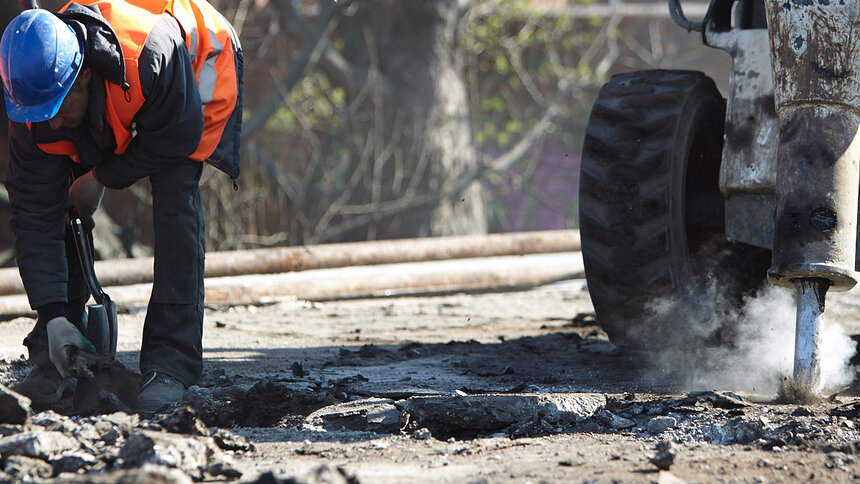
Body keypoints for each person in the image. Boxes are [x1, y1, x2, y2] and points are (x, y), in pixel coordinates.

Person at [0, 0, 243, 413]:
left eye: (59, 109)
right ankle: (59, 346)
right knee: (58, 200)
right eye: (42, 114)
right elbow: (34, 215)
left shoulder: (147, 55)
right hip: (124, 97)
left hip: (197, 75)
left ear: (86, 75)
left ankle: (171, 364)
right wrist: (53, 313)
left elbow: (177, 138)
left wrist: (100, 178)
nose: (51, 123)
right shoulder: (34, 98)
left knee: (174, 199)